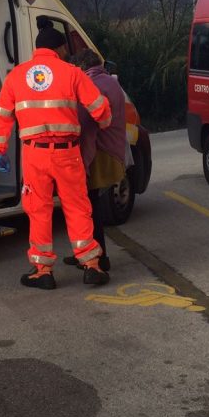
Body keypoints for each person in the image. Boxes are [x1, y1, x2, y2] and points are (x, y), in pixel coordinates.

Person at [0, 27, 113, 290]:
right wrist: (105, 122)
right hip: (67, 152)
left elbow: (1, 114)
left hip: (34, 154)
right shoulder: (73, 73)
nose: (67, 52)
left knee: (38, 210)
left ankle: (43, 270)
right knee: (78, 207)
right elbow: (99, 108)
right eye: (65, 48)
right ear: (58, 48)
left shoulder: (16, 76)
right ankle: (91, 265)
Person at [62, 48, 127, 273]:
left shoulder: (92, 87)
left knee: (88, 208)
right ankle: (86, 254)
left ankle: (99, 258)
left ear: (81, 67)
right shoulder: (110, 81)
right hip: (112, 151)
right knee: (90, 205)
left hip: (99, 154)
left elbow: (88, 130)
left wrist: (82, 163)